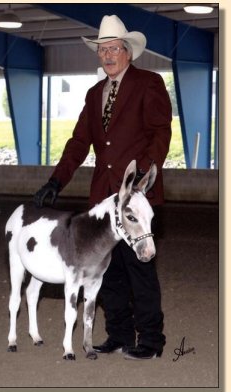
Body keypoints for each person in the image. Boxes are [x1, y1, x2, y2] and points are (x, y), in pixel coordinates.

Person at [34, 15, 172, 360]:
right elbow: (79, 142)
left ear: (127, 52)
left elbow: (160, 132)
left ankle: (152, 341)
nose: (108, 55)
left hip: (134, 197)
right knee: (105, 272)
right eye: (103, 50)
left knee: (140, 270)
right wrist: (56, 180)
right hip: (102, 203)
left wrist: (141, 175)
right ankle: (119, 334)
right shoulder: (95, 94)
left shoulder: (149, 83)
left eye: (114, 49)